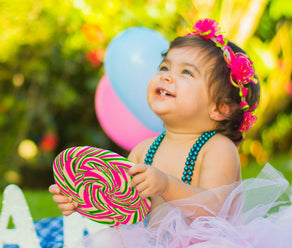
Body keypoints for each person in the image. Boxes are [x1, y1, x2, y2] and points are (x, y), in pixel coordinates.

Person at [49, 18, 292, 247]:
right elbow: (123, 205)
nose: (166, 75)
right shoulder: (144, 150)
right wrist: (80, 198)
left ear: (219, 108)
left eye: (186, 72)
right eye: (165, 67)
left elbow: (215, 210)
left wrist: (166, 185)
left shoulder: (217, 148)